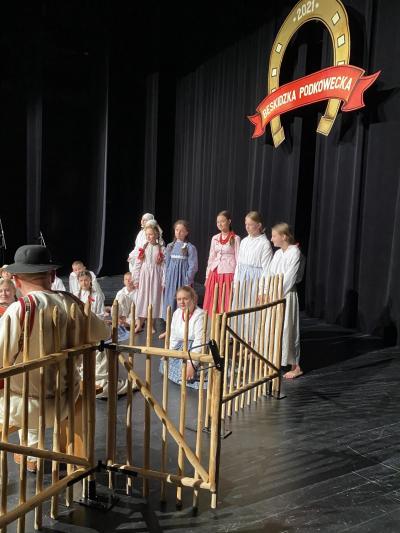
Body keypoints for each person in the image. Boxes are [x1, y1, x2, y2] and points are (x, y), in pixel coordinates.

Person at [0, 245, 109, 472]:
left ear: (17, 281)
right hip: (67, 397)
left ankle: (31, 452)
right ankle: (36, 453)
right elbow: (103, 333)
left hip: (25, 406)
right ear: (51, 276)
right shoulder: (72, 302)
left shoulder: (19, 310)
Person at [265, 223, 305, 379]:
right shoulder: (277, 254)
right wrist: (265, 291)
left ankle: (296, 366)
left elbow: (290, 277)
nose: (271, 239)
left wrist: (276, 293)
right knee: (273, 328)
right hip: (273, 295)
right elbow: (269, 273)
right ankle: (275, 360)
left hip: (286, 295)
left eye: (274, 236)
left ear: (284, 236)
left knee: (288, 328)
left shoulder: (294, 252)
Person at [159, 286, 207, 388]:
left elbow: (199, 341)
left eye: (185, 298)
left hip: (196, 349)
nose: (182, 302)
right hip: (181, 347)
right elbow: (174, 336)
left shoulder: (200, 315)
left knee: (191, 373)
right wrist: (169, 352)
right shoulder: (177, 313)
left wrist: (191, 364)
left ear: (193, 299)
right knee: (164, 364)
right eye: (179, 299)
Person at [160, 220, 198, 338]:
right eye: (177, 230)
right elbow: (167, 264)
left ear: (186, 232)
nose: (179, 232)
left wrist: (187, 280)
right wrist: (165, 279)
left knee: (182, 303)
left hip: (182, 280)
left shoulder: (190, 248)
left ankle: (181, 331)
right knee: (170, 303)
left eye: (182, 231)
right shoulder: (170, 246)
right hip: (171, 280)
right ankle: (169, 330)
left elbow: (193, 266)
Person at [203, 210, 240, 315]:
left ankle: (224, 321)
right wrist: (207, 276)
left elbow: (238, 259)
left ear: (229, 221)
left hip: (228, 273)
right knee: (213, 299)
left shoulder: (235, 238)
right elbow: (211, 258)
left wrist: (237, 277)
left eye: (222, 221)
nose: (220, 224)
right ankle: (212, 321)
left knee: (225, 299)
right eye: (218, 222)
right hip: (214, 272)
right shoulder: (215, 238)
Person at [233, 211, 273, 308]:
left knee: (251, 308)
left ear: (259, 225)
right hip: (242, 280)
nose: (247, 227)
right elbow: (239, 264)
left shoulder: (264, 244)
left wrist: (263, 291)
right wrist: (235, 283)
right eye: (246, 224)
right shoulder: (244, 241)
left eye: (250, 224)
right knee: (239, 308)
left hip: (255, 282)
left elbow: (267, 269)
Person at [133, 221, 165, 334]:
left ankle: (151, 325)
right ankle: (139, 324)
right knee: (143, 300)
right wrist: (136, 278)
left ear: (156, 234)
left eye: (151, 234)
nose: (149, 236)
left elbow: (164, 266)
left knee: (153, 300)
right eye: (147, 235)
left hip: (156, 276)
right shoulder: (144, 247)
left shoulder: (161, 248)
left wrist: (164, 281)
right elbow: (138, 263)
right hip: (145, 276)